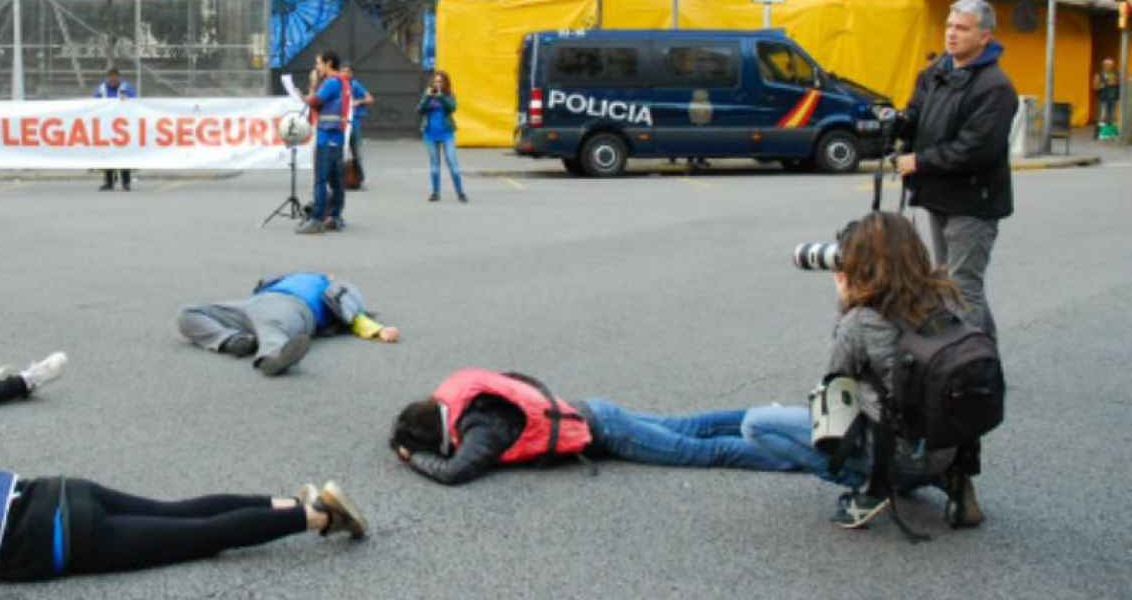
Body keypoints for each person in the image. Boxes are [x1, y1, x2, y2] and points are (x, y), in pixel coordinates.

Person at [0, 459, 367, 598]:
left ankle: (313, 517)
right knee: (182, 510)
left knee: (199, 538)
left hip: (63, 539)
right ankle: (291, 499)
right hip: (59, 490)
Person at [740, 212, 986, 531]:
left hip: (894, 456)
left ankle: (873, 486)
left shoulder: (861, 321)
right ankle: (950, 478)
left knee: (755, 425)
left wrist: (845, 303)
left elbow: (834, 383)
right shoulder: (947, 299)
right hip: (946, 446)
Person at [389, 368, 801, 487]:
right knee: (688, 426)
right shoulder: (461, 397)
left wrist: (415, 460)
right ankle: (774, 415)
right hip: (592, 409)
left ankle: (797, 456)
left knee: (702, 452)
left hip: (608, 432)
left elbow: (457, 473)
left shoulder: (480, 431)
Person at [893, 0, 1017, 341]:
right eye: (949, 26)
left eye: (962, 28)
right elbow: (915, 114)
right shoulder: (936, 72)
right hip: (939, 194)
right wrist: (896, 127)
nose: (952, 34)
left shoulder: (996, 87)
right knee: (952, 283)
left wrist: (919, 161)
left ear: (984, 36)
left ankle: (969, 371)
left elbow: (976, 150)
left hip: (974, 202)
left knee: (962, 288)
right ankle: (981, 355)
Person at [176, 272, 401, 377]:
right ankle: (231, 341)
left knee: (272, 327)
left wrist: (379, 330)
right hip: (253, 303)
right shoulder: (292, 277)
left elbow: (354, 315)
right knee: (188, 313)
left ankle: (272, 359)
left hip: (294, 309)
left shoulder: (334, 288)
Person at [298, 51, 350, 234]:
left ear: (328, 64)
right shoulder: (343, 82)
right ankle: (335, 217)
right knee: (336, 181)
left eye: (319, 63)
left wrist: (303, 96)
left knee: (320, 180)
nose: (317, 67)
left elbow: (314, 101)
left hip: (326, 137)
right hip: (337, 137)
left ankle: (317, 219)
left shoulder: (330, 82)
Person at [417, 69, 466, 203]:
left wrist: (441, 97)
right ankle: (435, 193)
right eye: (436, 81)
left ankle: (460, 192)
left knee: (452, 162)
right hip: (430, 134)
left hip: (446, 133)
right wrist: (428, 97)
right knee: (434, 164)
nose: (437, 83)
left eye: (440, 81)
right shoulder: (428, 94)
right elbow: (419, 110)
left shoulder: (448, 95)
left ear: (445, 83)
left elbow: (452, 108)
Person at [94, 67, 136, 191]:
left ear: (119, 78)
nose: (113, 80)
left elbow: (135, 101)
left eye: (115, 77)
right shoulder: (102, 89)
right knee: (108, 154)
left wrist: (126, 98)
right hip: (107, 126)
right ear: (108, 78)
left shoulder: (125, 88)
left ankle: (126, 182)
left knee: (124, 154)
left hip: (123, 127)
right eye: (110, 77)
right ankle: (109, 181)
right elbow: (93, 103)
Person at [345, 65, 373, 189]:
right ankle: (341, 179)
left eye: (348, 72)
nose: (346, 74)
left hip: (354, 123)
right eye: (343, 71)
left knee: (356, 152)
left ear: (351, 73)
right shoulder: (337, 85)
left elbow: (370, 98)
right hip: (342, 123)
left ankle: (359, 180)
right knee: (339, 153)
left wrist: (359, 101)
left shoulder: (355, 85)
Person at [1093, 58, 1119, 134]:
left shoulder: (1115, 75)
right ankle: (1100, 133)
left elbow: (1118, 84)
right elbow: (1095, 86)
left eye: (1111, 65)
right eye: (1107, 65)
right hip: (1103, 98)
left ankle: (1110, 133)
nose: (1109, 67)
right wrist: (1103, 85)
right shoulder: (1099, 75)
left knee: (1113, 116)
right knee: (1102, 116)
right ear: (1103, 66)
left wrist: (1115, 83)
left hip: (1113, 98)